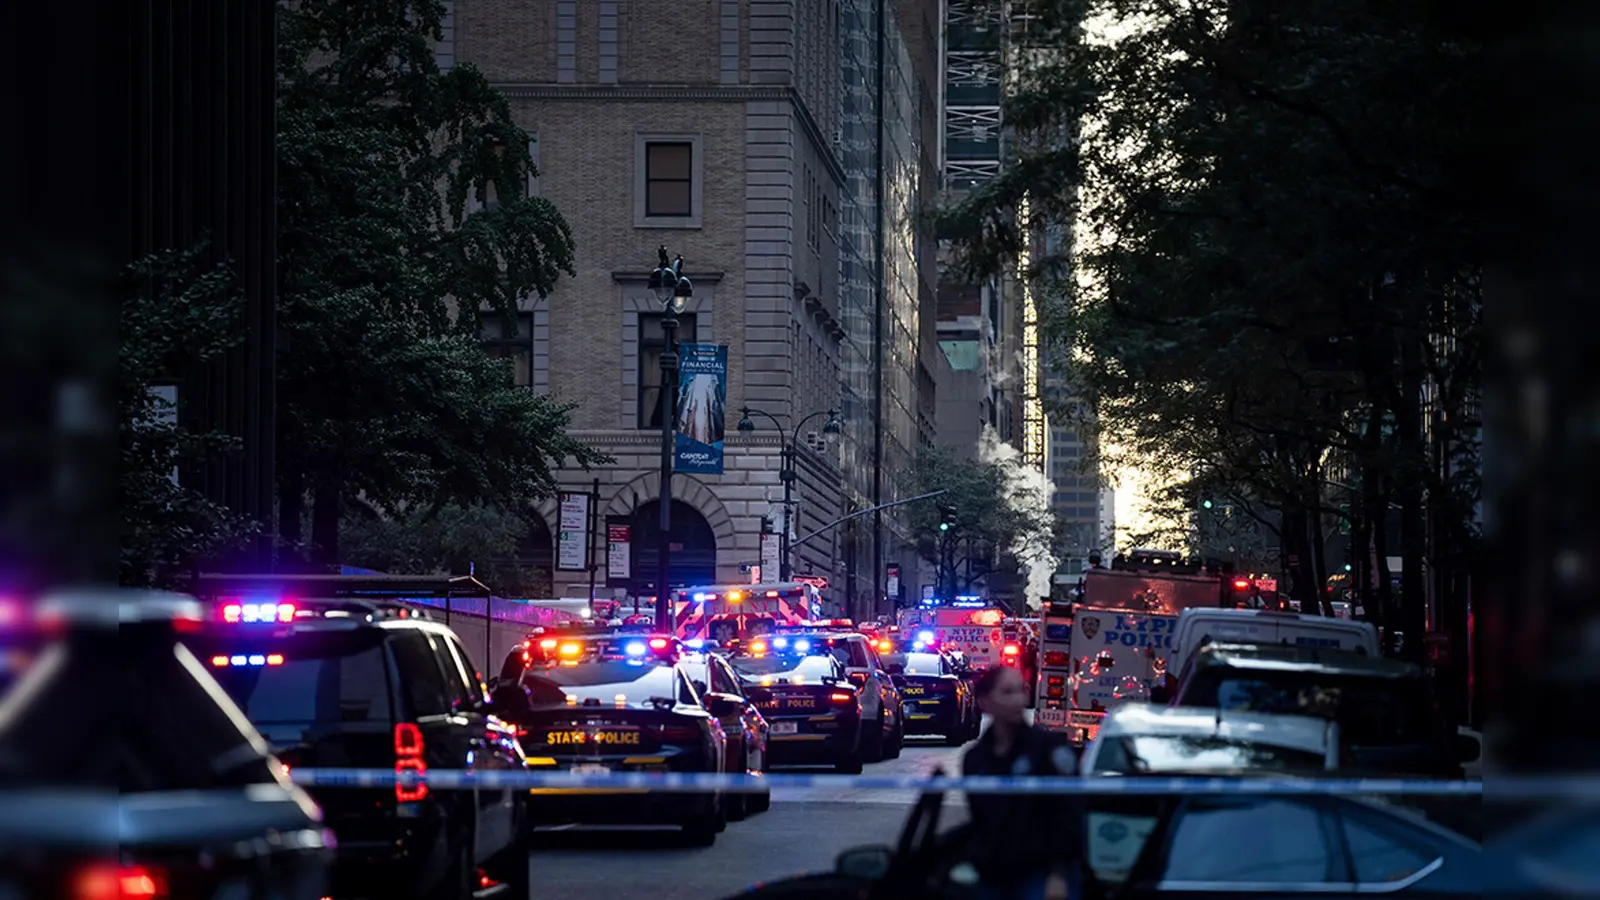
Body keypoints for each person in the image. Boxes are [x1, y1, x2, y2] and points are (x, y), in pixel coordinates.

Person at [962, 665, 1087, 900]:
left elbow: (1069, 815)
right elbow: (981, 823)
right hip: (993, 875)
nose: (1018, 700)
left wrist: (1058, 874)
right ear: (985, 702)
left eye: (1021, 690)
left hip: (1041, 873)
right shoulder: (975, 760)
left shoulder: (1050, 750)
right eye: (1007, 692)